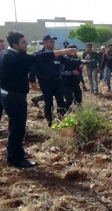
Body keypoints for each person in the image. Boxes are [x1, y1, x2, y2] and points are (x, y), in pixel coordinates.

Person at [0, 31, 76, 168]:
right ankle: (16, 158)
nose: (26, 44)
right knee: (17, 129)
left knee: (15, 127)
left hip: (10, 95)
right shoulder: (12, 57)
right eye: (23, 42)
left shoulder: (7, 53)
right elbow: (38, 58)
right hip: (14, 98)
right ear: (14, 44)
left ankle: (14, 154)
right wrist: (63, 51)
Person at [29, 35, 82, 127]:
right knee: (48, 102)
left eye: (53, 42)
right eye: (50, 42)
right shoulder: (39, 55)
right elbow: (33, 68)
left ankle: (60, 118)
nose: (52, 43)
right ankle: (50, 120)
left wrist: (81, 61)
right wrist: (32, 80)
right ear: (44, 43)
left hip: (57, 81)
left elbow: (68, 61)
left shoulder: (57, 54)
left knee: (61, 101)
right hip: (45, 82)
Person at [61, 45, 84, 110]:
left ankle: (79, 114)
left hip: (75, 82)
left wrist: (82, 81)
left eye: (75, 51)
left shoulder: (78, 60)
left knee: (79, 99)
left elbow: (80, 72)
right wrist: (71, 72)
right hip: (66, 83)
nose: (73, 53)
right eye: (71, 51)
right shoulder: (63, 60)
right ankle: (62, 112)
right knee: (69, 100)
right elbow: (60, 72)